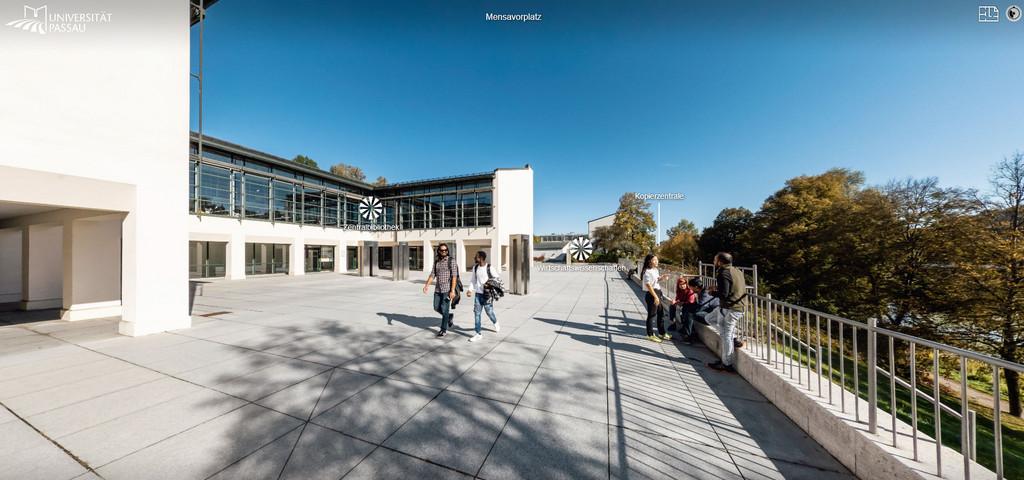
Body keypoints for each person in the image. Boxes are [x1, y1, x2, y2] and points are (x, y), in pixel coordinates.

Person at [707, 252, 747, 373]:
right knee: (709, 319)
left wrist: (712, 292)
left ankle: (726, 364)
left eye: (715, 259)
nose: (714, 261)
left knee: (726, 336)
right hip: (735, 307)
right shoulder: (737, 271)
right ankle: (733, 339)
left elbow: (724, 294)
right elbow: (730, 288)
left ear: (720, 261)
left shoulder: (723, 273)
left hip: (732, 308)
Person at [423, 243, 459, 337]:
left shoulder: (451, 261)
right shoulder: (436, 262)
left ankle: (443, 329)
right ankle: (449, 317)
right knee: (436, 307)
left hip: (447, 289)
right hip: (438, 289)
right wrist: (427, 285)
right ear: (438, 251)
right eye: (442, 250)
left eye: (446, 250)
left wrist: (452, 290)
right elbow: (432, 274)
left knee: (445, 309)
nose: (444, 252)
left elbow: (454, 276)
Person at [466, 250, 500, 342]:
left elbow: (497, 279)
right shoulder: (475, 267)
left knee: (489, 312)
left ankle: (495, 322)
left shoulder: (489, 267)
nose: (474, 258)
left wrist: (489, 284)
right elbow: (473, 280)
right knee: (477, 314)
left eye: (476, 256)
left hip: (487, 294)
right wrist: (470, 289)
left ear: (480, 258)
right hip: (478, 294)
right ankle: (478, 333)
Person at [640, 254, 670, 342]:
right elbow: (648, 285)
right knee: (651, 315)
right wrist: (655, 297)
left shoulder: (655, 270)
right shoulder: (647, 272)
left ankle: (661, 333)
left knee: (661, 313)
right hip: (652, 294)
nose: (657, 261)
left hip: (658, 292)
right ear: (649, 261)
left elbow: (656, 280)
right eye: (655, 260)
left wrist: (662, 278)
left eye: (657, 260)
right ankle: (650, 334)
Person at [669, 277, 697, 344]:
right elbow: (678, 298)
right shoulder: (679, 291)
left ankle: (688, 334)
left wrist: (680, 303)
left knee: (686, 313)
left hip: (690, 306)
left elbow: (690, 301)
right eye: (680, 284)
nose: (682, 286)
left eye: (684, 284)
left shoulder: (690, 291)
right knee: (672, 306)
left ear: (686, 284)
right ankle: (673, 323)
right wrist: (675, 301)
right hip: (683, 305)